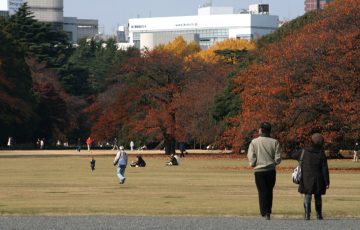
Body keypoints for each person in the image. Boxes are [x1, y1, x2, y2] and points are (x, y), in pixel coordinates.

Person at [290, 133, 330, 220]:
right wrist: (327, 182)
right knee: (318, 197)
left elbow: (293, 155)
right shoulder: (321, 154)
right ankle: (319, 215)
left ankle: (307, 214)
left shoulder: (304, 151)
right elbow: (324, 169)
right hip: (318, 179)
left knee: (307, 196)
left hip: (306, 178)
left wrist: (297, 146)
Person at [247, 122, 282, 220]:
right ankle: (268, 211)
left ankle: (264, 211)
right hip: (271, 170)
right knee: (269, 191)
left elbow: (251, 156)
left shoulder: (254, 142)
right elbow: (278, 157)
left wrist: (253, 164)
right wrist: (274, 163)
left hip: (259, 171)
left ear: (261, 130)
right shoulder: (275, 142)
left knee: (262, 191)